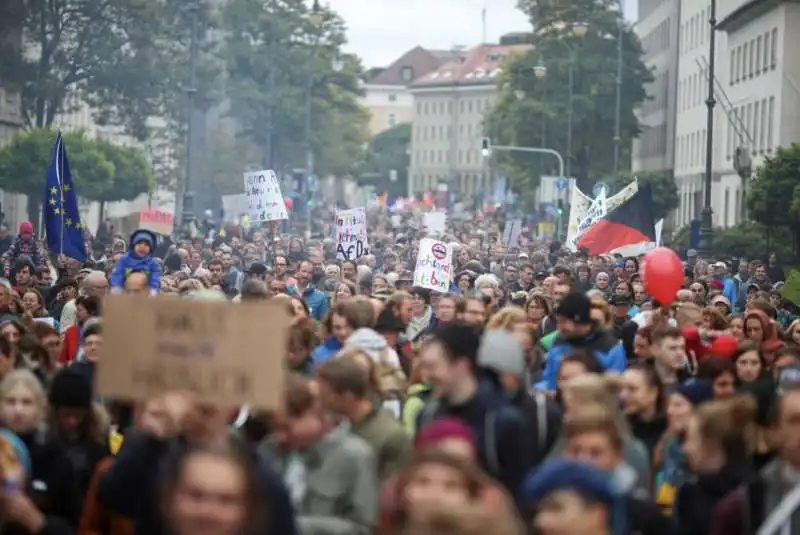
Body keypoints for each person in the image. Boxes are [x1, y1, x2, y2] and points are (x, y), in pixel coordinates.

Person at [415, 324, 533, 499]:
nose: (426, 375)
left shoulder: (503, 422)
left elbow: (519, 495)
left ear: (461, 365)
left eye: (432, 367)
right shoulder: (427, 416)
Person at [538, 292, 626, 391]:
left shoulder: (610, 349)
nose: (559, 327)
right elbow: (549, 380)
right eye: (558, 322)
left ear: (579, 319)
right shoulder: (559, 341)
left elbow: (614, 392)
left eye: (563, 321)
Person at [110, 229, 161, 296]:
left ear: (151, 248)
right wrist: (116, 287)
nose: (142, 246)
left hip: (144, 294)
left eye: (146, 245)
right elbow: (117, 273)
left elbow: (156, 277)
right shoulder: (124, 260)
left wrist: (154, 289)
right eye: (139, 243)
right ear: (133, 245)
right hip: (126, 292)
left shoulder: (152, 263)